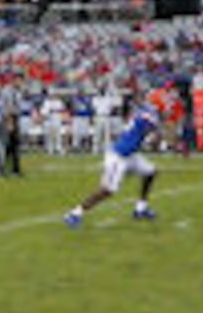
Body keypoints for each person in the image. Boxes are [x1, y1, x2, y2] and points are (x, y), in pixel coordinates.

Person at [68, 90, 165, 226]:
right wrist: (159, 134)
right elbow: (154, 139)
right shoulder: (150, 115)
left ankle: (141, 208)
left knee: (150, 172)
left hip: (131, 154)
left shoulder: (147, 111)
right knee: (108, 189)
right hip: (119, 155)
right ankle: (75, 213)